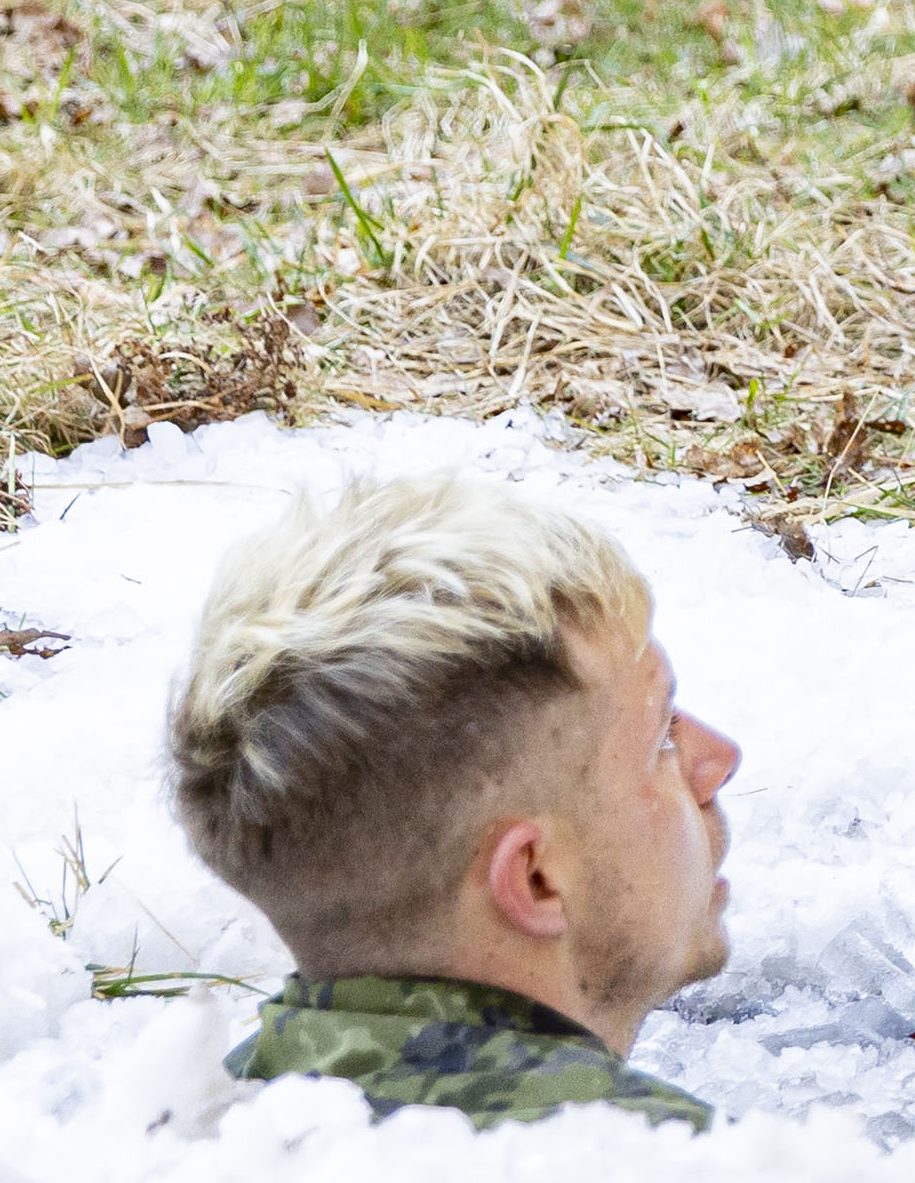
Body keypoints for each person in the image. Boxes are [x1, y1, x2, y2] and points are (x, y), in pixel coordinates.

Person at [168, 474, 743, 1129]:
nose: (719, 758)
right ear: (537, 878)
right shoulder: (657, 1156)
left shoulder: (186, 1129)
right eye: (661, 741)